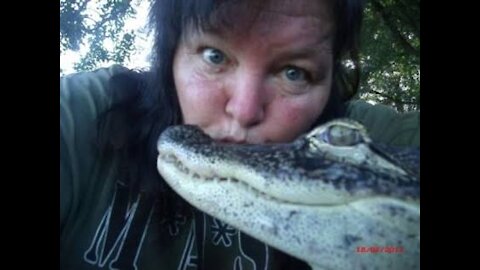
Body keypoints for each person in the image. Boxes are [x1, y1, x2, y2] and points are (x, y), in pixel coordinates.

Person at [60, 0, 419, 269]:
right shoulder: (81, 113)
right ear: (170, 57)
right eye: (214, 56)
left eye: (295, 73)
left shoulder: (358, 142)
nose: (245, 111)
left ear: (329, 86)